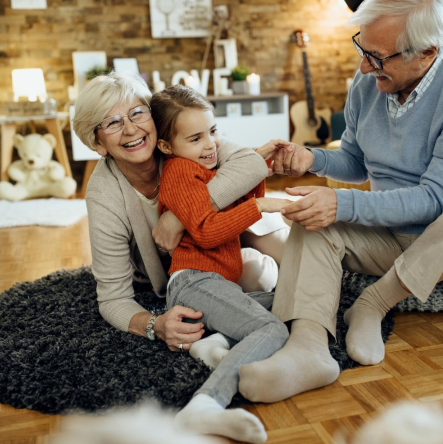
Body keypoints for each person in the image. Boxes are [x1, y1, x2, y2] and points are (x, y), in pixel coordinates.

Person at [238, 0, 443, 403]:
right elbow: (356, 160)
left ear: (427, 52)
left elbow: (437, 199)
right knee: (314, 220)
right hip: (394, 235)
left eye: (377, 57)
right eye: (362, 48)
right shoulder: (369, 83)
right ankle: (307, 349)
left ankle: (374, 301)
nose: (363, 67)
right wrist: (310, 159)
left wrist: (343, 204)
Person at [72, 72, 289, 359]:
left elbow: (249, 165)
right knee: (253, 284)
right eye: (113, 123)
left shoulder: (186, 136)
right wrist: (154, 324)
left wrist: (176, 217)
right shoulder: (104, 195)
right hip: (185, 271)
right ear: (98, 144)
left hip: (230, 238)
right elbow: (113, 298)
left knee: (299, 259)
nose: (131, 129)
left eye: (137, 113)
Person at [151, 85, 290, 444]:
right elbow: (207, 231)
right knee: (273, 330)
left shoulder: (204, 168)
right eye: (195, 138)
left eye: (212, 132)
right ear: (167, 147)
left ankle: (213, 342)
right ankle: (204, 406)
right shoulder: (180, 171)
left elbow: (239, 197)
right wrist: (259, 207)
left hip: (215, 284)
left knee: (294, 301)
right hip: (194, 282)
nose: (210, 144)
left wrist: (258, 164)